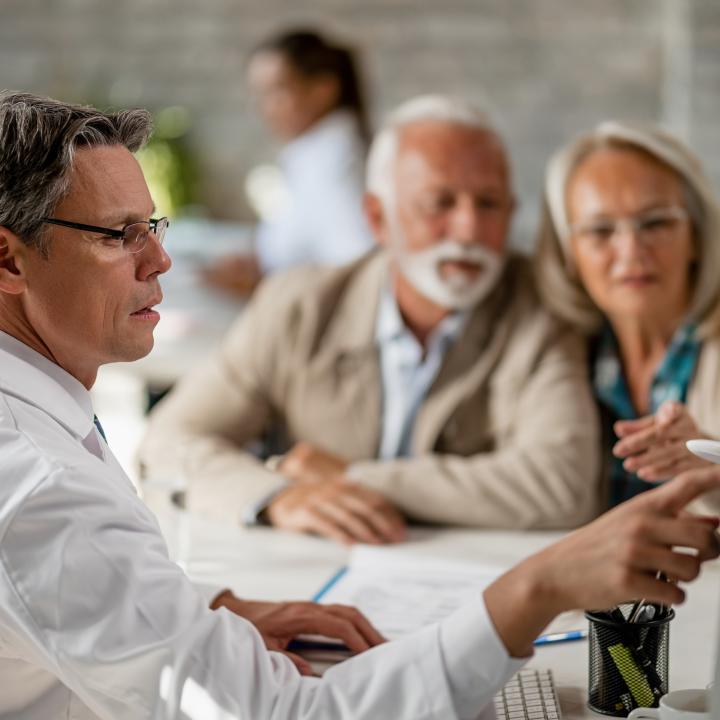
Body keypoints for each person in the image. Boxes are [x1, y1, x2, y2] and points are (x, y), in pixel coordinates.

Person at [1, 90, 719, 720]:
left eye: (150, 227)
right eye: (118, 234)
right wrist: (537, 586)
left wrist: (210, 607)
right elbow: (280, 711)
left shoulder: (539, 308)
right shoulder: (45, 483)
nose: (162, 261)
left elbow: (556, 480)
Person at [141, 94, 601, 544]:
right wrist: (277, 496)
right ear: (378, 218)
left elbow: (562, 483)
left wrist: (352, 478)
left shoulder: (541, 306)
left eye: (489, 204)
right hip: (307, 578)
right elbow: (167, 442)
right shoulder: (299, 305)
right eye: (439, 203)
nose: (468, 230)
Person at [535, 121, 720, 510]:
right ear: (569, 254)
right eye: (600, 230)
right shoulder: (563, 347)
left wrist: (712, 468)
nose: (632, 251)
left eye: (656, 222)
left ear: (697, 237)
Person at [202, 28, 373, 296]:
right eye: (259, 94)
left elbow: (358, 271)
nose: (264, 108)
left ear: (324, 89)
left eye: (276, 91)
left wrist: (261, 285)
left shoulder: (337, 166)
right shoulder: (313, 155)